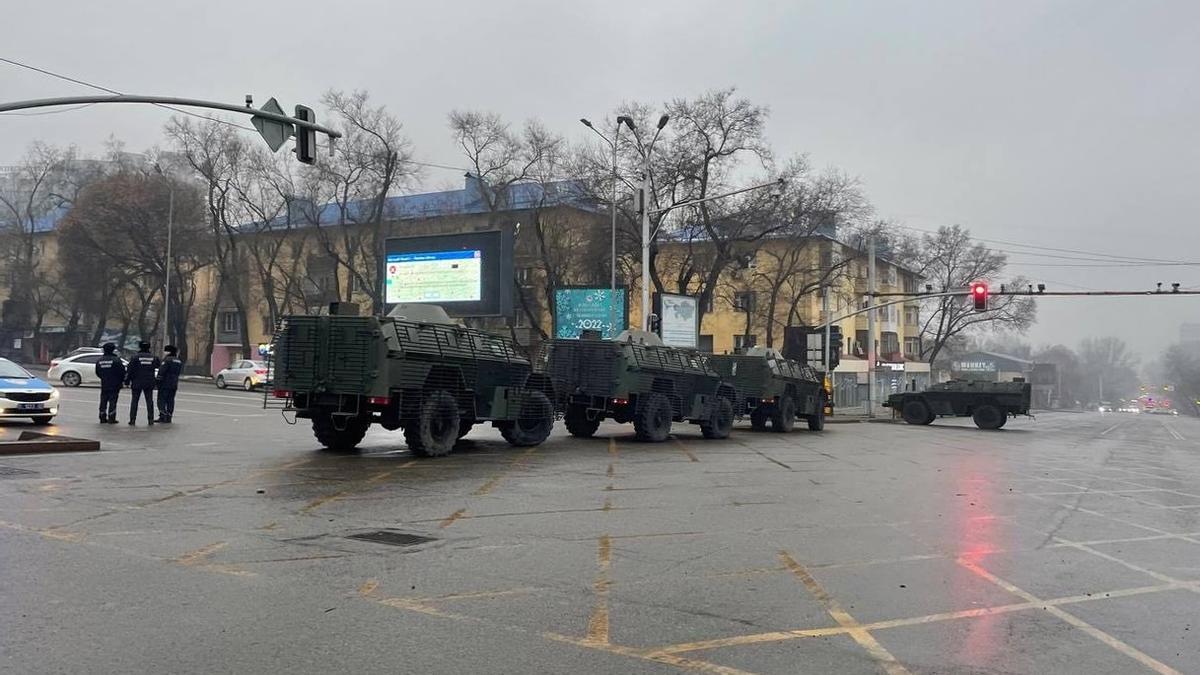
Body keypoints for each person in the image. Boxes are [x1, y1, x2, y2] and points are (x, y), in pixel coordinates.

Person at [125, 341, 161, 426]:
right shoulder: (154, 357)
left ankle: (132, 420)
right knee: (149, 401)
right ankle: (150, 420)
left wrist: (127, 380)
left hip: (137, 381)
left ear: (140, 347)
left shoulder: (135, 357)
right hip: (149, 382)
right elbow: (157, 365)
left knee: (134, 401)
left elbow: (130, 370)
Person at [94, 343, 125, 423]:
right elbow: (122, 372)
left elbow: (97, 372)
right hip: (115, 384)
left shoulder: (100, 360)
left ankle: (102, 416)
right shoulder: (116, 360)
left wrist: (104, 377)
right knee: (113, 401)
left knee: (103, 400)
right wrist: (121, 380)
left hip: (104, 383)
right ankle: (112, 417)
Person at [157, 345, 183, 423]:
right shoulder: (178, 361)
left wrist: (158, 381)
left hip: (165, 383)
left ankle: (163, 416)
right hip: (174, 383)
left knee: (161, 400)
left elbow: (161, 371)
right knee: (170, 400)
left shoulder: (167, 360)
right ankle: (169, 416)